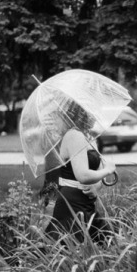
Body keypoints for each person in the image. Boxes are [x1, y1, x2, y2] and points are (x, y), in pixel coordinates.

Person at [45, 104, 117, 244]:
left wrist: (96, 185)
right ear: (80, 113)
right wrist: (108, 170)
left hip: (86, 201)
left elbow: (96, 171)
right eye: (92, 112)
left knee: (104, 245)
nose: (96, 116)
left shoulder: (87, 137)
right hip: (72, 203)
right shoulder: (74, 136)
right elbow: (83, 175)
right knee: (75, 250)